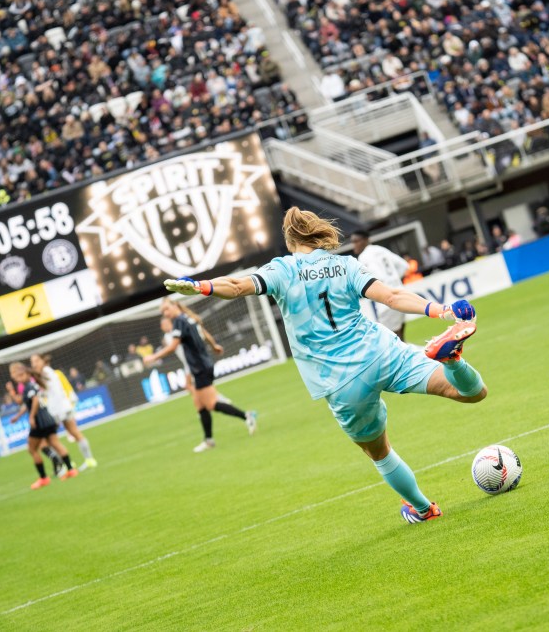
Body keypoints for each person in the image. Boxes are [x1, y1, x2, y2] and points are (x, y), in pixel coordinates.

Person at [163, 207, 487, 525]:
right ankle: (451, 360)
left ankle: (423, 508)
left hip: (342, 381)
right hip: (381, 352)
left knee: (379, 452)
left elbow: (236, 287)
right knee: (472, 393)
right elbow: (390, 296)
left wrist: (202, 286)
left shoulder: (282, 270)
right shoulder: (344, 264)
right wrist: (440, 310)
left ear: (290, 239)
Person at [143, 299, 257, 453]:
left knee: (210, 404)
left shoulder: (179, 321)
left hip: (200, 368)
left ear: (175, 305)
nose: (165, 313)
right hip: (202, 365)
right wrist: (214, 345)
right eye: (163, 312)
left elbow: (173, 347)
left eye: (167, 309)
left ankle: (247, 416)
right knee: (200, 405)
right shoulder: (189, 318)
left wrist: (153, 357)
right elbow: (204, 333)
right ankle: (209, 440)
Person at [8, 362, 77, 489]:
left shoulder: (29, 386)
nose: (15, 378)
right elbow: (26, 404)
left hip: (40, 421)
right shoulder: (31, 385)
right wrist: (18, 416)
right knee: (55, 443)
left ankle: (44, 478)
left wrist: (31, 417)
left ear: (23, 373)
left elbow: (34, 401)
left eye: (16, 375)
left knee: (32, 449)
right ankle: (71, 470)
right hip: (48, 419)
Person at [30, 354, 98, 469]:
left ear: (42, 361)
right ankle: (87, 460)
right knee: (71, 433)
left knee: (51, 439)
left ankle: (70, 463)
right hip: (62, 407)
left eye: (36, 360)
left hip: (57, 410)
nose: (34, 364)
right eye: (32, 362)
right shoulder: (46, 373)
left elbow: (48, 389)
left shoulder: (46, 372)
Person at [350, 230, 410, 340]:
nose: (354, 245)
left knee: (390, 340)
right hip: (401, 293)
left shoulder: (364, 256)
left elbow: (378, 277)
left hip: (386, 301)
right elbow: (404, 266)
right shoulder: (380, 249)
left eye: (356, 241)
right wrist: (394, 280)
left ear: (365, 240)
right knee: (400, 337)